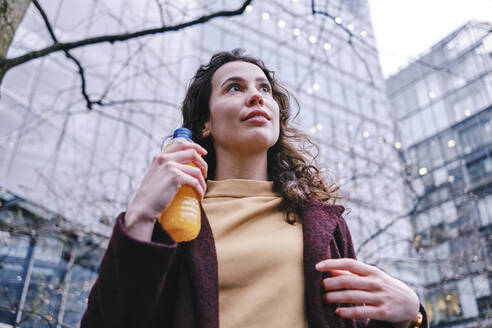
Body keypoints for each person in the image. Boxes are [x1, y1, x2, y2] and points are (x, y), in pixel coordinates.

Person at [81, 49, 427, 328]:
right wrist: (140, 215)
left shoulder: (323, 222)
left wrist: (412, 316)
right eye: (235, 87)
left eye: (264, 89)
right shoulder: (174, 217)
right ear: (205, 123)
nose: (256, 97)